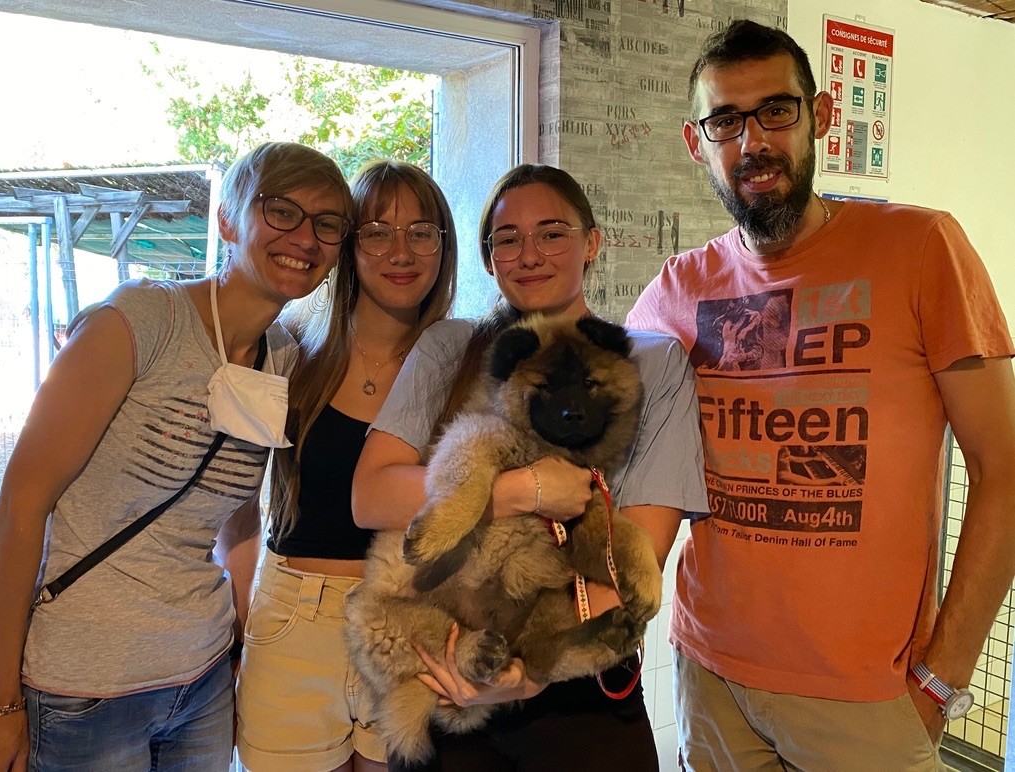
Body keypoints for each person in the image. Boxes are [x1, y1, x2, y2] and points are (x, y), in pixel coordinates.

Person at [625, 19, 1015, 770]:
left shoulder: (921, 248)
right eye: (725, 121)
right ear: (696, 142)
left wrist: (945, 675)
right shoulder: (677, 287)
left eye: (776, 110)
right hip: (710, 677)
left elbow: (1004, 471)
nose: (753, 142)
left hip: (869, 696)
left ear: (821, 116)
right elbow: (596, 419)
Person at [0, 141, 353, 772]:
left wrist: (244, 645)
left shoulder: (282, 357)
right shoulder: (141, 321)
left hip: (203, 676)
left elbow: (237, 516)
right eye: (280, 211)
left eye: (327, 223)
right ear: (228, 221)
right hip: (87, 680)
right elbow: (21, 503)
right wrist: (1, 700)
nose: (304, 237)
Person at [352, 163, 710, 771]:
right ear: (489, 258)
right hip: (455, 658)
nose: (529, 254)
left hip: (577, 679)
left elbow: (638, 553)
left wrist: (536, 668)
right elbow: (371, 494)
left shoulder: (649, 361)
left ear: (592, 242)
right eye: (508, 239)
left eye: (551, 233)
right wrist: (522, 490)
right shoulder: (450, 348)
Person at [235, 159, 458, 772]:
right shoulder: (293, 351)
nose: (400, 252)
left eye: (421, 232)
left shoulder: (461, 363)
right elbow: (235, 498)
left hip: (410, 621)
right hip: (294, 620)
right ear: (348, 247)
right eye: (377, 232)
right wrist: (240, 613)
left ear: (444, 246)